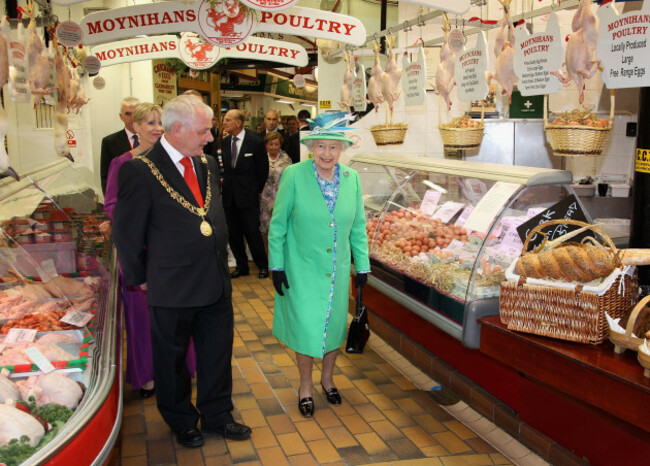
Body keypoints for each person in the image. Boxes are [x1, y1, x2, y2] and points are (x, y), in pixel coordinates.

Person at [112, 95, 251, 448]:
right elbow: (127, 232)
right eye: (204, 131)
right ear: (178, 129)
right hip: (171, 284)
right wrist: (140, 276)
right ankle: (181, 420)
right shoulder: (139, 170)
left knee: (216, 353)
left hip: (214, 280)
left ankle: (218, 415)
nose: (209, 137)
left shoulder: (206, 164)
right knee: (172, 359)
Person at [268, 112, 370, 418]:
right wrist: (276, 265)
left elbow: (358, 227)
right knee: (306, 327)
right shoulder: (294, 175)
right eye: (321, 147)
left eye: (333, 148)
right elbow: (278, 224)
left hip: (336, 271)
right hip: (301, 267)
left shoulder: (352, 180)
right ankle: (305, 386)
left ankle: (327, 379)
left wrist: (362, 266)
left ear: (341, 150)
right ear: (312, 147)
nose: (326, 154)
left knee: (333, 326)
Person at [103, 102, 198, 400]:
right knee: (143, 319)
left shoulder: (174, 161)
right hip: (141, 251)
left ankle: (183, 366)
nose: (157, 128)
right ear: (135, 127)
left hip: (173, 250)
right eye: (150, 123)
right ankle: (148, 376)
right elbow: (112, 204)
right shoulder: (123, 162)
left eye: (160, 122)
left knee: (179, 314)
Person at [219, 109, 269, 279]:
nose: (224, 122)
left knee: (252, 232)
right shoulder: (225, 142)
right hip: (229, 196)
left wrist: (255, 190)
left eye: (227, 119)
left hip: (248, 197)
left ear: (238, 123)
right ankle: (241, 266)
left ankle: (262, 265)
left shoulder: (255, 142)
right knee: (233, 233)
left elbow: (263, 170)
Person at [100, 96, 140, 193]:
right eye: (128, 114)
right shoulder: (110, 142)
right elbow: (106, 179)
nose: (132, 118)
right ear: (121, 116)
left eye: (136, 114)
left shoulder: (153, 140)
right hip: (124, 199)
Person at [260, 132, 292, 247]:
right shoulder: (261, 156)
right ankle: (268, 256)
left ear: (280, 145)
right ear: (267, 144)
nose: (273, 147)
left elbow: (289, 178)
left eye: (276, 144)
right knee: (265, 228)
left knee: (280, 226)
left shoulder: (286, 158)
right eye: (271, 144)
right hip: (264, 198)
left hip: (280, 197)